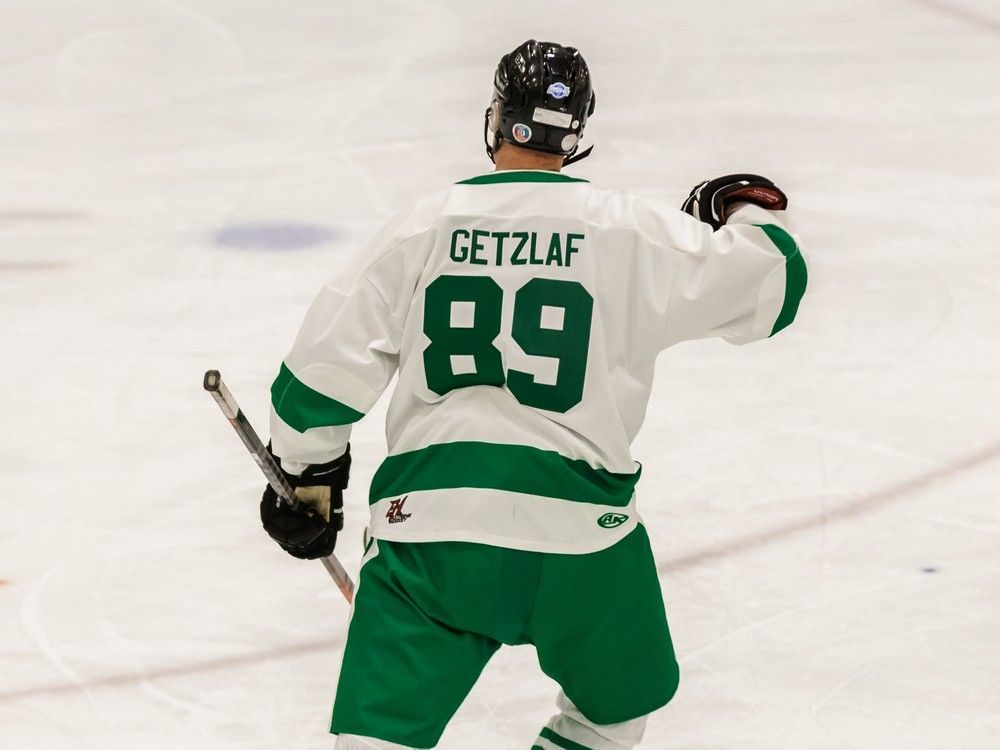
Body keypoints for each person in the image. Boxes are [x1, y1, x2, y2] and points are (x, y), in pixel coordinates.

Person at [260, 39, 807, 750]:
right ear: (576, 136)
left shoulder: (423, 226)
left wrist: (308, 479)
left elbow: (319, 375)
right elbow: (773, 284)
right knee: (612, 713)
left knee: (377, 733)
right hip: (578, 533)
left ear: (496, 117)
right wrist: (739, 205)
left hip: (431, 532)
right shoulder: (629, 230)